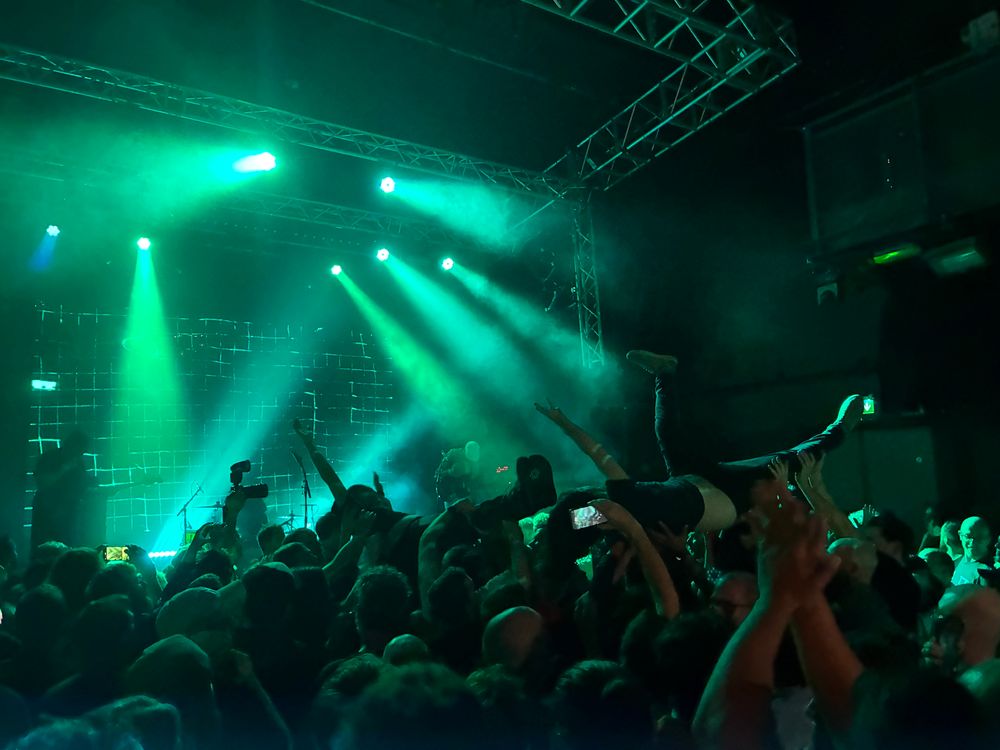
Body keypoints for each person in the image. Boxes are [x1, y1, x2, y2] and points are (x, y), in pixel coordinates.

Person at [534, 350, 863, 534]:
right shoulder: (619, 505)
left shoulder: (619, 503)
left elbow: (590, 482)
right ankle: (837, 432)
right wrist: (563, 423)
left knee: (668, 435)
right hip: (721, 500)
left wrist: (554, 526)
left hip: (691, 482)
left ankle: (666, 372)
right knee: (784, 462)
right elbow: (597, 454)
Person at [952, 516, 993, 586]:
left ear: (988, 539)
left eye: (979, 537)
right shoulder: (956, 562)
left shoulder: (987, 574)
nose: (973, 542)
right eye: (968, 536)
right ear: (960, 535)